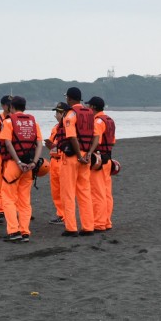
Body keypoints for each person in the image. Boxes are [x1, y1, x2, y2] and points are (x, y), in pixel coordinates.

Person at [0, 95, 43, 243]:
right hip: (29, 166)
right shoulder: (33, 122)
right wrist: (34, 162)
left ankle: (13, 231)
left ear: (11, 107)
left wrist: (17, 161)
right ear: (25, 107)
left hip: (13, 165)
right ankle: (25, 231)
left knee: (8, 198)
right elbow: (39, 143)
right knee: (24, 200)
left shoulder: (8, 122)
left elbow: (8, 144)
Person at [59, 87, 95, 237]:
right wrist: (88, 154)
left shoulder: (70, 114)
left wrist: (79, 155)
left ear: (70, 98)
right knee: (84, 193)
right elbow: (95, 136)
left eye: (67, 97)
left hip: (72, 157)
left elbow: (72, 137)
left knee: (68, 193)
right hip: (86, 156)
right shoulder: (90, 114)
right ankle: (88, 226)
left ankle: (71, 228)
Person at [85, 96, 116, 232]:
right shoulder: (110, 120)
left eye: (89, 106)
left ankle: (98, 223)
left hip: (98, 160)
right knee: (106, 192)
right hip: (108, 158)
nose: (87, 108)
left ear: (93, 107)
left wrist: (89, 152)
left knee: (97, 193)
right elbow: (113, 141)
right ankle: (107, 221)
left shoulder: (97, 121)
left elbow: (96, 139)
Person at [44, 102, 69, 225]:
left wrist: (54, 147)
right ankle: (60, 213)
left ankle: (64, 215)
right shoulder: (55, 128)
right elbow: (54, 145)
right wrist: (50, 146)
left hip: (62, 160)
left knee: (64, 190)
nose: (56, 115)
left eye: (58, 113)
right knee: (56, 190)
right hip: (53, 160)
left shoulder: (68, 127)